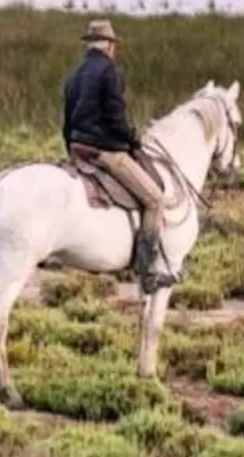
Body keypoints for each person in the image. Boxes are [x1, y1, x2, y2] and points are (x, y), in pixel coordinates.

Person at [61, 18, 175, 292]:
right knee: (155, 201)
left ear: (89, 44)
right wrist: (133, 140)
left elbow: (66, 123)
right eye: (114, 45)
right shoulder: (109, 72)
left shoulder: (74, 76)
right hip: (104, 151)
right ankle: (148, 272)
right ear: (109, 46)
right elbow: (115, 119)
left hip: (78, 148)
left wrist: (72, 150)